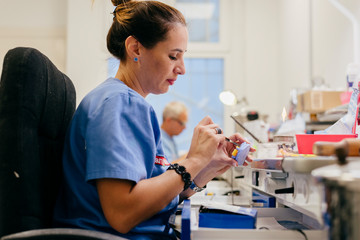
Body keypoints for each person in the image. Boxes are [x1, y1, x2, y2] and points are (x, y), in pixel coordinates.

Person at [53, 0, 254, 239]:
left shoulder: (126, 103)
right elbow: (123, 213)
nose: (182, 69)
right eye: (173, 56)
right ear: (136, 49)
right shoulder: (118, 104)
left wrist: (207, 164)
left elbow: (154, 196)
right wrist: (194, 160)